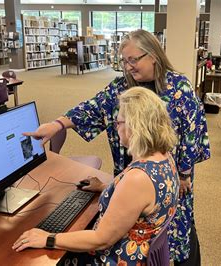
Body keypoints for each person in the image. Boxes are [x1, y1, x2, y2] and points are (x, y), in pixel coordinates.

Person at [22, 29, 210, 265]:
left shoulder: (179, 88)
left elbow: (193, 134)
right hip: (139, 173)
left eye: (134, 59)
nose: (128, 66)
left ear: (153, 55)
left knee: (163, 226)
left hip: (163, 175)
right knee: (132, 217)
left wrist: (183, 174)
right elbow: (91, 109)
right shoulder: (120, 87)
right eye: (124, 60)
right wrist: (57, 125)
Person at [13, 87, 180, 265]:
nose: (116, 127)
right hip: (139, 250)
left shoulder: (138, 178)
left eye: (119, 122)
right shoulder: (163, 157)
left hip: (113, 257)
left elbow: (101, 239)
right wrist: (104, 187)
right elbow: (140, 200)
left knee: (43, 259)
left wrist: (48, 238)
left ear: (134, 126)